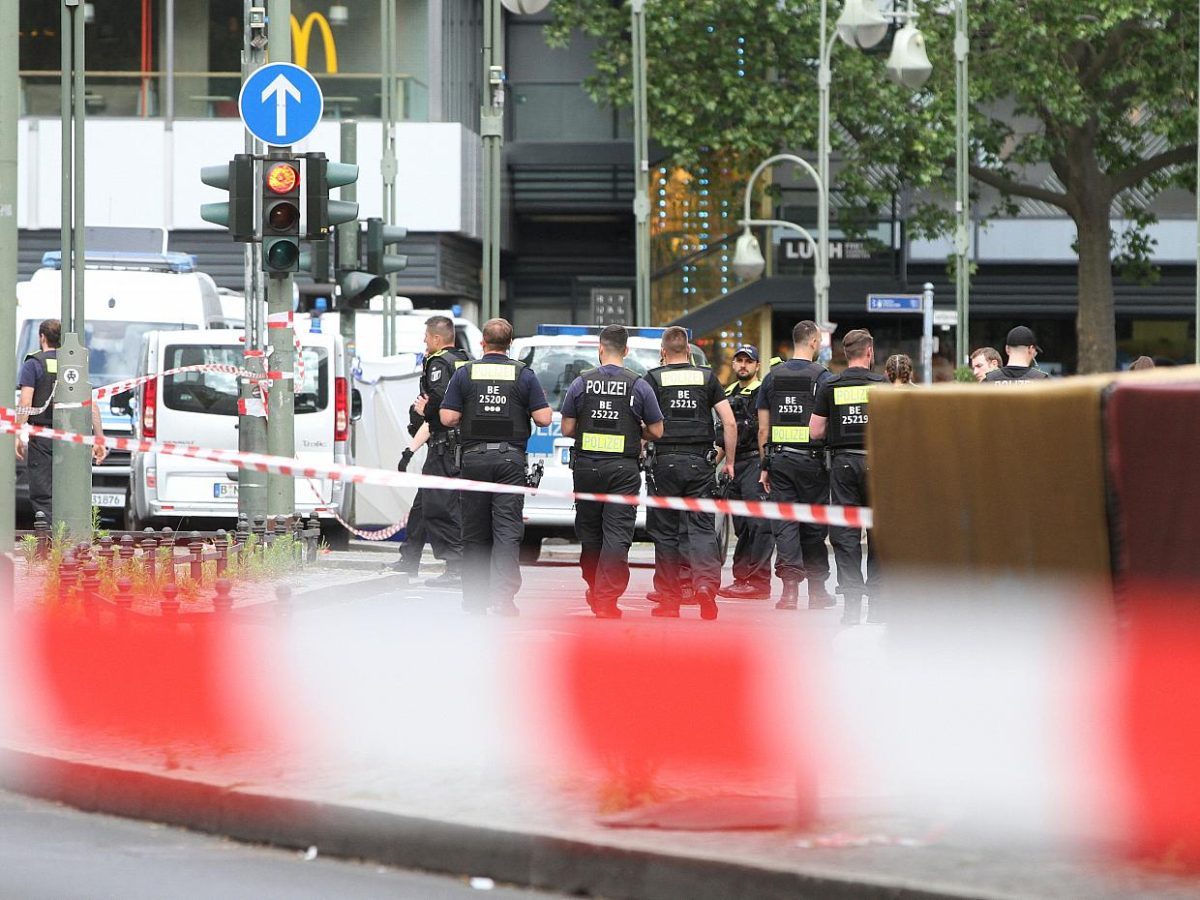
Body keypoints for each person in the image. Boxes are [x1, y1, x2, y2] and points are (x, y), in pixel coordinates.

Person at [440, 318, 552, 616]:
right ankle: (503, 600)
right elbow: (543, 419)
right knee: (506, 531)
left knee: (474, 532)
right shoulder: (523, 375)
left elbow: (448, 417)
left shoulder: (465, 373)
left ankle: (475, 600)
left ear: (482, 343)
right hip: (509, 462)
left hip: (474, 460)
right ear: (510, 343)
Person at [560, 325, 664, 619]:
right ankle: (606, 597)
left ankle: (594, 585)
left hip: (586, 468)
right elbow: (657, 429)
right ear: (626, 351)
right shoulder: (638, 385)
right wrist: (637, 431)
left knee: (590, 532)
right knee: (617, 534)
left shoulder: (581, 383)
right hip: (623, 469)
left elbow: (567, 427)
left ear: (600, 349)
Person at [644, 326, 736, 620]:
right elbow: (729, 422)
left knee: (666, 533)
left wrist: (640, 452)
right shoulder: (707, 377)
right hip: (701, 464)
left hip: (664, 464)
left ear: (663, 351)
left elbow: (642, 426)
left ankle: (670, 600)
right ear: (688, 349)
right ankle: (706, 586)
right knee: (702, 529)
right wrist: (730, 462)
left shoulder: (653, 379)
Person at [810, 329, 888, 626]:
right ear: (869, 352)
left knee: (846, 536)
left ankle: (852, 606)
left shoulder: (831, 385)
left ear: (845, 354)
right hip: (878, 464)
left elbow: (815, 431)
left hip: (843, 465)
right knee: (879, 533)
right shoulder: (882, 386)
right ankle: (878, 604)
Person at [757, 320, 833, 611]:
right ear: (814, 342)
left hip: (780, 460)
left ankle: (789, 592)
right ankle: (817, 591)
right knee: (813, 524)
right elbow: (826, 425)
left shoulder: (772, 378)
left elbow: (763, 429)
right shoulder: (823, 378)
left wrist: (764, 465)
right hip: (813, 463)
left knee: (785, 523)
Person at [15, 319, 106, 523]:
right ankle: (71, 540)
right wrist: (99, 437)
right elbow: (90, 402)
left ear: (42, 337)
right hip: (72, 437)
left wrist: (18, 433)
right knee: (71, 491)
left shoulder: (33, 364)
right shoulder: (73, 364)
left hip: (42, 437)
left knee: (43, 493)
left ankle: (49, 541)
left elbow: (26, 401)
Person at [400, 316, 469, 586]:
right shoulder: (464, 359)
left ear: (437, 339)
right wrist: (410, 451)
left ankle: (455, 567)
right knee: (423, 505)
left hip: (446, 449)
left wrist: (422, 410)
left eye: (426, 337)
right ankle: (409, 557)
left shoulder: (438, 363)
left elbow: (438, 405)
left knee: (440, 507)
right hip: (453, 446)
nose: (424, 341)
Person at [717, 345, 776, 600]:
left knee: (759, 524)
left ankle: (758, 582)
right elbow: (721, 436)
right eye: (739, 360)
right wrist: (713, 464)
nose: (743, 365)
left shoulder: (763, 391)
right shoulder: (727, 393)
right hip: (734, 464)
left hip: (754, 461)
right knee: (742, 525)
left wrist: (766, 467)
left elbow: (765, 430)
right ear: (733, 364)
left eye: (748, 361)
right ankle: (742, 579)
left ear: (757, 366)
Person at [983, 327, 1051, 384]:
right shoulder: (1042, 380)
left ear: (1007, 349)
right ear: (1030, 349)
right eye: (1035, 352)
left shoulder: (989, 380)